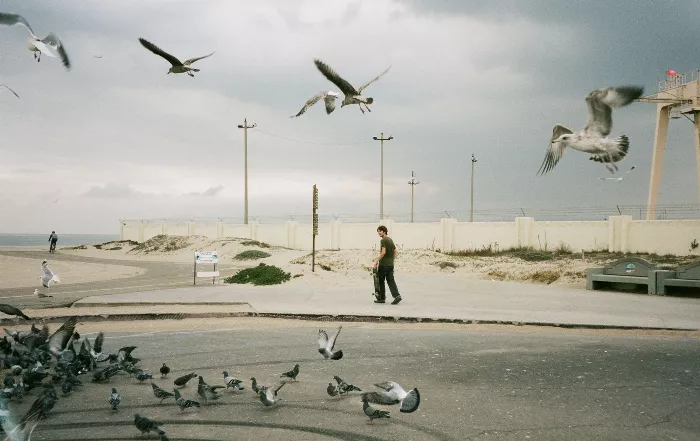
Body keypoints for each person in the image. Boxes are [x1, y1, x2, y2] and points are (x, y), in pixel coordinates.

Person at [373, 225, 402, 305]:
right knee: (391, 281)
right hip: (390, 265)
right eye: (378, 231)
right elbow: (395, 251)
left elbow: (383, 252)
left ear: (384, 231)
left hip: (383, 265)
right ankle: (397, 296)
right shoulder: (390, 240)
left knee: (381, 281)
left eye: (380, 231)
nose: (379, 233)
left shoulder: (383, 240)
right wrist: (392, 260)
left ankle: (382, 298)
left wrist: (376, 261)